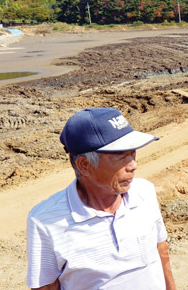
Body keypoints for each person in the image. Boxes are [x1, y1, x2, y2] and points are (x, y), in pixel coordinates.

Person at [26, 107, 176, 290]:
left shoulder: (145, 192)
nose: (134, 165)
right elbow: (46, 287)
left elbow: (161, 249)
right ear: (85, 165)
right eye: (121, 157)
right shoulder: (45, 221)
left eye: (133, 154)